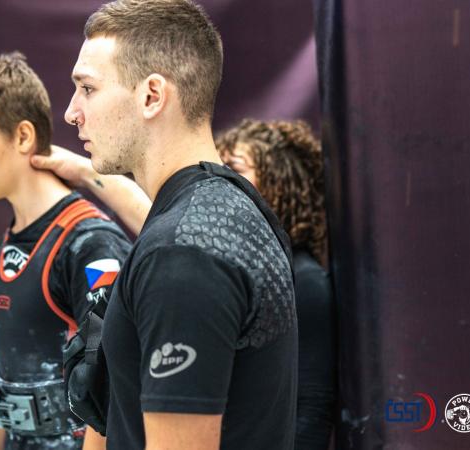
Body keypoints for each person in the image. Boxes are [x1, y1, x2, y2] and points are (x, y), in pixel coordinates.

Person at [57, 1, 298, 448]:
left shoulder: (180, 256)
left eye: (87, 88)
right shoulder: (227, 208)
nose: (72, 112)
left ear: (152, 96)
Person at [0, 52, 131, 450]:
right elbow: (2, 370)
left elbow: (110, 385)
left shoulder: (91, 244)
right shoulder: (14, 242)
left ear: (23, 136)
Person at [216, 119, 336, 449]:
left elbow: (312, 408)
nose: (220, 181)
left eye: (235, 168)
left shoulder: (305, 281)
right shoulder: (229, 269)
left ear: (279, 181)